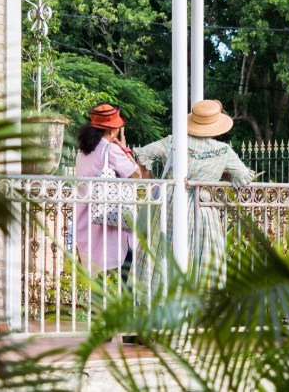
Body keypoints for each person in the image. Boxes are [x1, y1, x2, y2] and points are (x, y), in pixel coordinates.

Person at [131, 99, 255, 291]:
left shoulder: (173, 142)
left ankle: (159, 294)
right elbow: (242, 177)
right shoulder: (223, 151)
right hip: (202, 204)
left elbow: (142, 154)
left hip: (170, 202)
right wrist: (220, 175)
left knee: (162, 246)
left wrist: (152, 181)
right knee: (201, 249)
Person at [73, 103, 142, 283]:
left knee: (98, 278)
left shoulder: (82, 152)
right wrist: (125, 150)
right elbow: (136, 175)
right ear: (112, 130)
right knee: (122, 278)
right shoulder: (110, 149)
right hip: (111, 222)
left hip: (86, 219)